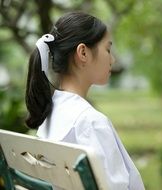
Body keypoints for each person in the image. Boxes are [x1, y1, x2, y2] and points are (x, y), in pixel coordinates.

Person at [25, 11, 145, 190]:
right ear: (83, 53)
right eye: (108, 49)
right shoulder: (90, 122)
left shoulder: (50, 114)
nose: (112, 59)